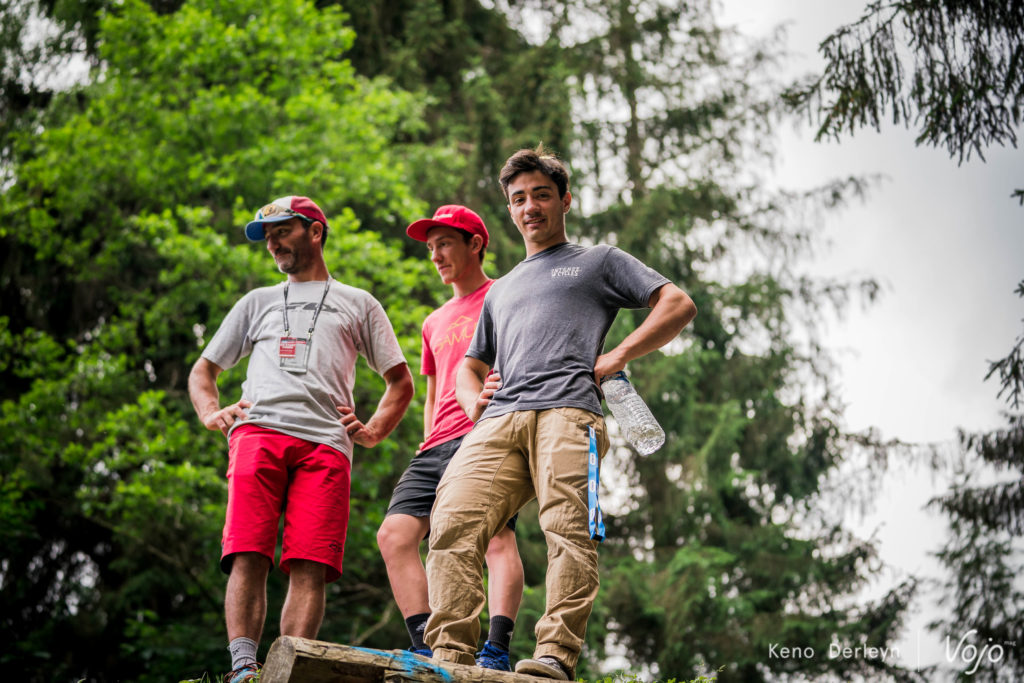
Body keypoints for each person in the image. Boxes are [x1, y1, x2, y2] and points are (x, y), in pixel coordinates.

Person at [423, 149, 697, 679]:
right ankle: (449, 657)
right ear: (510, 209)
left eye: (541, 195)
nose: (530, 206)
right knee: (451, 521)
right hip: (498, 420)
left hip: (569, 414)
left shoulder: (598, 261)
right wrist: (472, 398)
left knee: (569, 531)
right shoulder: (501, 289)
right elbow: (470, 364)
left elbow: (677, 303)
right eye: (518, 199)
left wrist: (618, 356)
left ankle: (553, 656)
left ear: (564, 201)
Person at [187, 196, 414, 683]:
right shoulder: (257, 302)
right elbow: (203, 370)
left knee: (310, 562)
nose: (272, 243)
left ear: (315, 232)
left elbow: (400, 381)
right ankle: (243, 668)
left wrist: (373, 430)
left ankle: (283, 674)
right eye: (267, 236)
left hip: (327, 444)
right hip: (258, 432)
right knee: (248, 550)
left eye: (281, 232)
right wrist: (211, 413)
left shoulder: (358, 303)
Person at [376, 205, 525, 671]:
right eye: (430, 248)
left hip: (487, 431)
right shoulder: (433, 320)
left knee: (495, 538)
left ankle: (495, 650)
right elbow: (434, 389)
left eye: (444, 244)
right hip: (436, 444)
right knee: (395, 535)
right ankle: (426, 647)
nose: (435, 256)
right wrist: (426, 439)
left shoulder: (504, 292)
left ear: (474, 244)